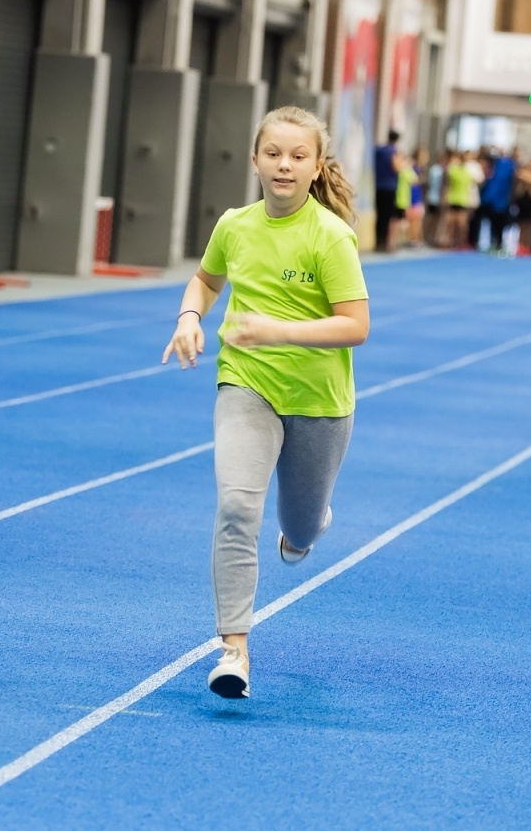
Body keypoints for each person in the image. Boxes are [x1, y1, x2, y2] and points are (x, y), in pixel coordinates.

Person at [162, 105, 369, 700]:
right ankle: (234, 650)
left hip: (320, 400)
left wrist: (278, 329)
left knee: (298, 527)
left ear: (316, 167)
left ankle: (309, 524)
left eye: (298, 156)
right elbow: (206, 278)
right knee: (236, 509)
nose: (284, 165)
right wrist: (190, 316)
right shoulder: (235, 225)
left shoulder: (330, 236)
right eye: (273, 153)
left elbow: (355, 326)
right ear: (254, 159)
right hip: (246, 383)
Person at [472, 148, 515, 253]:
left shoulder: (505, 166)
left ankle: (499, 243)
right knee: (486, 221)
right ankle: (485, 242)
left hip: (500, 201)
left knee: (499, 223)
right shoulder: (487, 167)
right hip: (487, 200)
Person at [373, 130, 402, 253]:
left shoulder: (379, 150)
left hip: (378, 186)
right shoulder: (393, 151)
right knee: (388, 216)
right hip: (389, 187)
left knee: (379, 215)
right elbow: (396, 167)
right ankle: (385, 242)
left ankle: (378, 241)